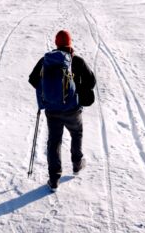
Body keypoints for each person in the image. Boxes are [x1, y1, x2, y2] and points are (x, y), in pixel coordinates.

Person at [28, 30, 96, 191]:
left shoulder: (46, 61)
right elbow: (91, 81)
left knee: (54, 142)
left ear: (56, 43)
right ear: (70, 44)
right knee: (76, 133)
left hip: (52, 110)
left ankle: (54, 179)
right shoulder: (77, 61)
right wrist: (76, 90)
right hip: (73, 109)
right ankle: (77, 163)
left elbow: (33, 79)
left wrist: (48, 93)